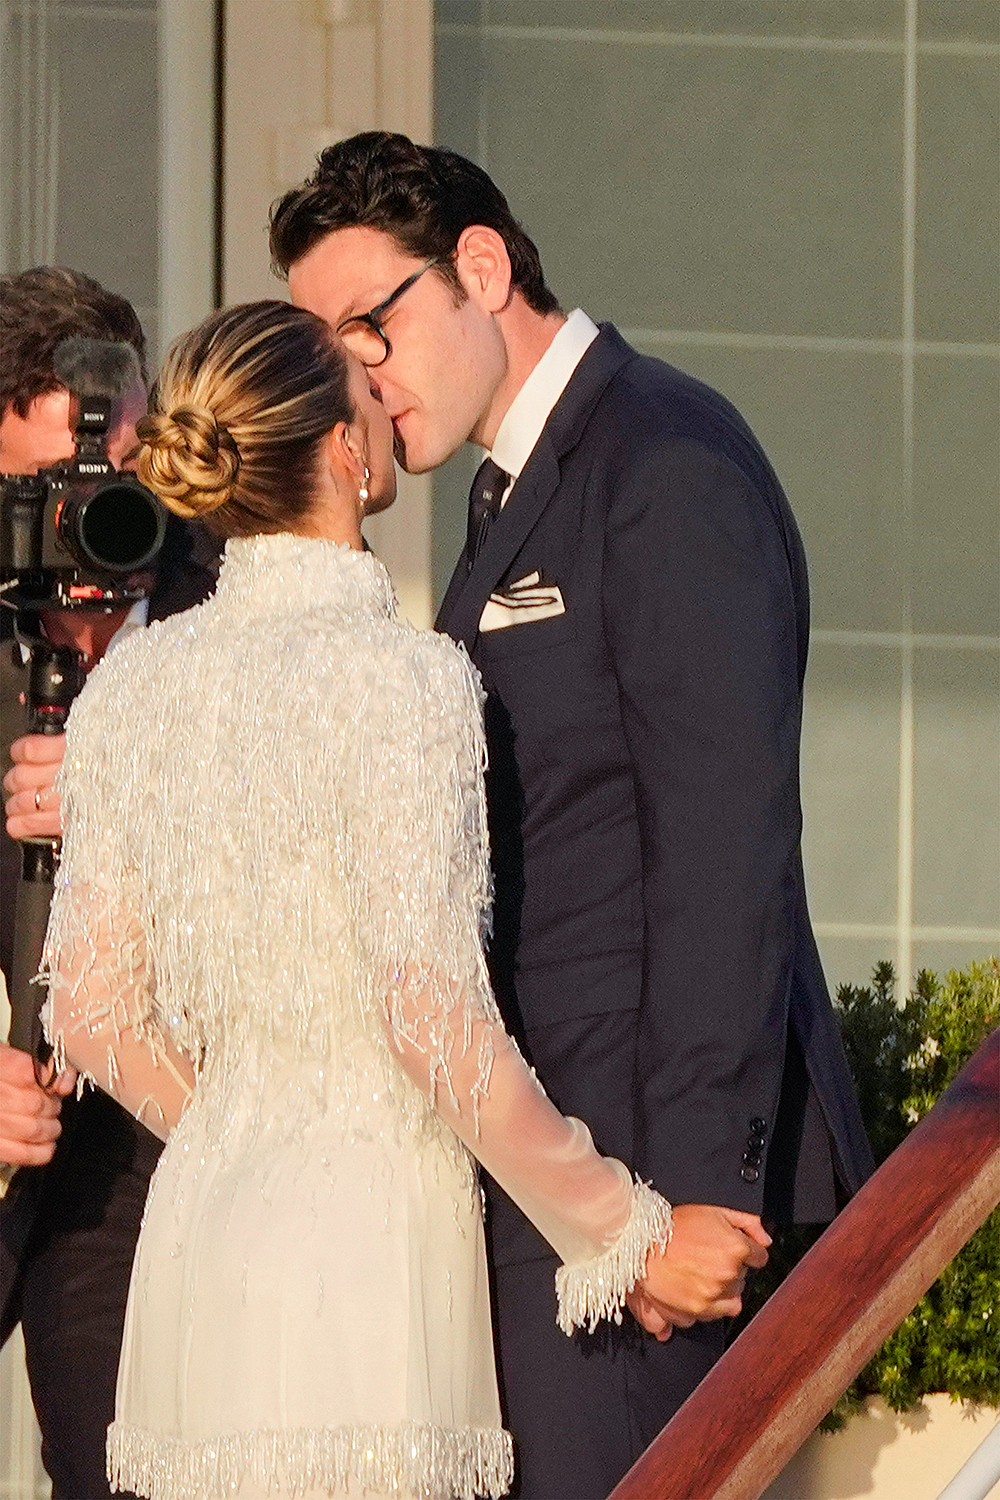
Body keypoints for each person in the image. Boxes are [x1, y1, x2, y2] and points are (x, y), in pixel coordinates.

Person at [40, 299, 761, 1500]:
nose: (387, 405)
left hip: (201, 1240)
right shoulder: (405, 681)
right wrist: (622, 1231)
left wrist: (245, 1128)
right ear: (342, 449)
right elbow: (428, 1015)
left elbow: (95, 1011)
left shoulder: (132, 687)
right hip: (367, 1251)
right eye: (366, 394)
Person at [268, 131, 876, 1498]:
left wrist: (686, 1195)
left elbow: (723, 846)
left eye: (369, 324)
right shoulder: (506, 500)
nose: (353, 374)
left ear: (481, 265)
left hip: (646, 1202)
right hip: (563, 1187)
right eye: (323, 347)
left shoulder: (663, 462)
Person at [0, 265, 219, 1500]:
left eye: (116, 481)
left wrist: (129, 798)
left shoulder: (249, 606)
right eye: (46, 490)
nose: (90, 517)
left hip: (159, 1176)